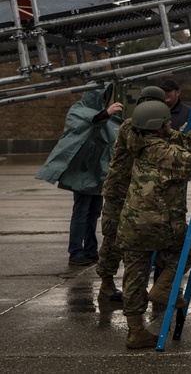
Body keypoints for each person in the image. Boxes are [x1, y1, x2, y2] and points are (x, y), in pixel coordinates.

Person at [116, 100, 191, 349]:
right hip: (159, 223)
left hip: (131, 224)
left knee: (134, 277)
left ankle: (135, 331)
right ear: (157, 126)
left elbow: (179, 138)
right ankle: (164, 287)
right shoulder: (163, 153)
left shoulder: (137, 139)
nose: (170, 125)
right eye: (166, 122)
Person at [35, 82, 122, 267]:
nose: (104, 101)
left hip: (97, 172)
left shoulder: (101, 114)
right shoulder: (78, 110)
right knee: (81, 212)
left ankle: (90, 250)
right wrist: (106, 113)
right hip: (83, 171)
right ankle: (76, 251)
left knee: (94, 213)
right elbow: (88, 123)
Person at [95, 85, 167, 305]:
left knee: (142, 239)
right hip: (119, 193)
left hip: (139, 194)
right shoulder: (130, 127)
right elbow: (141, 146)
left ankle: (147, 285)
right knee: (113, 240)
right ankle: (106, 285)